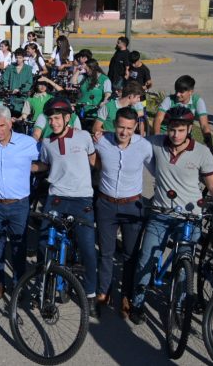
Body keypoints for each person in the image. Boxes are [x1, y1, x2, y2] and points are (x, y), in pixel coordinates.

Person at [130, 106, 213, 324]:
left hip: (189, 218)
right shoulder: (155, 143)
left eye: (180, 130)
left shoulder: (201, 152)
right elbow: (127, 139)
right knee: (145, 260)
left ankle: (178, 306)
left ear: (189, 129)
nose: (175, 134)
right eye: (171, 129)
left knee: (184, 265)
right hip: (160, 213)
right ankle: (138, 302)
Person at [32, 97, 99, 317]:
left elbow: (93, 161)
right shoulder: (47, 142)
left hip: (81, 199)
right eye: (50, 118)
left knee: (88, 248)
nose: (53, 122)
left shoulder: (83, 136)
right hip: (57, 197)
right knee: (44, 242)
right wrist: (21, 165)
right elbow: (44, 165)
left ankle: (89, 293)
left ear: (67, 118)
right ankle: (44, 286)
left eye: (57, 118)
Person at [93, 107, 153, 318]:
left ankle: (126, 294)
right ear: (114, 125)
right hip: (106, 204)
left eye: (129, 128)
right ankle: (104, 291)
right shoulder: (101, 141)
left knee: (130, 255)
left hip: (131, 207)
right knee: (106, 253)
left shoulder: (144, 147)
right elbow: (89, 155)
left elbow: (158, 171)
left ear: (135, 127)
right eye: (120, 127)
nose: (124, 132)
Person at [0, 105, 39, 301]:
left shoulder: (28, 143)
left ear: (10, 122)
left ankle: (18, 283)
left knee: (18, 246)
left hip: (19, 204)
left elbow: (46, 162)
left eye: (2, 126)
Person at [152, 75, 213, 154]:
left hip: (184, 135)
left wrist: (209, 144)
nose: (177, 94)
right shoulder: (169, 99)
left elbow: (204, 125)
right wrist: (157, 136)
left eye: (181, 92)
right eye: (176, 91)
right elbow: (158, 118)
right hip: (166, 134)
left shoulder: (197, 101)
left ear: (191, 92)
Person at [0, 48, 33, 116]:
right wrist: (7, 89)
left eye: (20, 58)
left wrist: (20, 90)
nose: (18, 59)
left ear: (23, 58)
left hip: (23, 97)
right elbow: (4, 79)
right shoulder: (10, 67)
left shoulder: (28, 69)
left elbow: (29, 82)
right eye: (16, 57)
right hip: (11, 96)